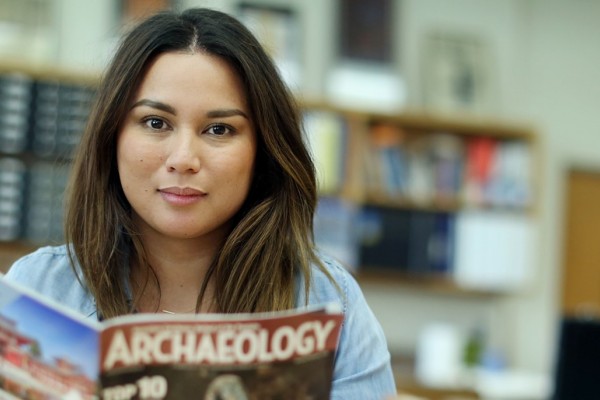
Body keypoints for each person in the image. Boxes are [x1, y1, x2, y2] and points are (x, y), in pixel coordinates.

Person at [4, 7, 397, 399]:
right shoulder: (37, 288)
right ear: (113, 136)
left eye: (219, 129)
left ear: (262, 151)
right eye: (156, 123)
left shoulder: (327, 300)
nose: (183, 158)